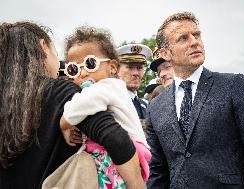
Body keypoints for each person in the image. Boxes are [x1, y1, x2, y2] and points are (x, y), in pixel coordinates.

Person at [0, 22, 142, 189]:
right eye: (73, 68)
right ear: (43, 47)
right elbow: (115, 138)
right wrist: (138, 185)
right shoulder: (60, 92)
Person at [146, 12, 244, 188]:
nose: (194, 42)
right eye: (183, 38)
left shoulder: (233, 85)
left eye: (197, 35)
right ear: (165, 53)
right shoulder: (155, 107)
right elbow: (158, 170)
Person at [59, 26, 150, 188]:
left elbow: (78, 107)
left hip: (125, 157)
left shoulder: (110, 86)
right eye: (73, 69)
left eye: (90, 63)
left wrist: (64, 123)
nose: (83, 73)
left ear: (113, 67)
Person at [117, 44, 152, 120]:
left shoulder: (146, 105)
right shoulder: (110, 103)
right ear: (117, 70)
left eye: (139, 68)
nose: (136, 73)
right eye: (130, 67)